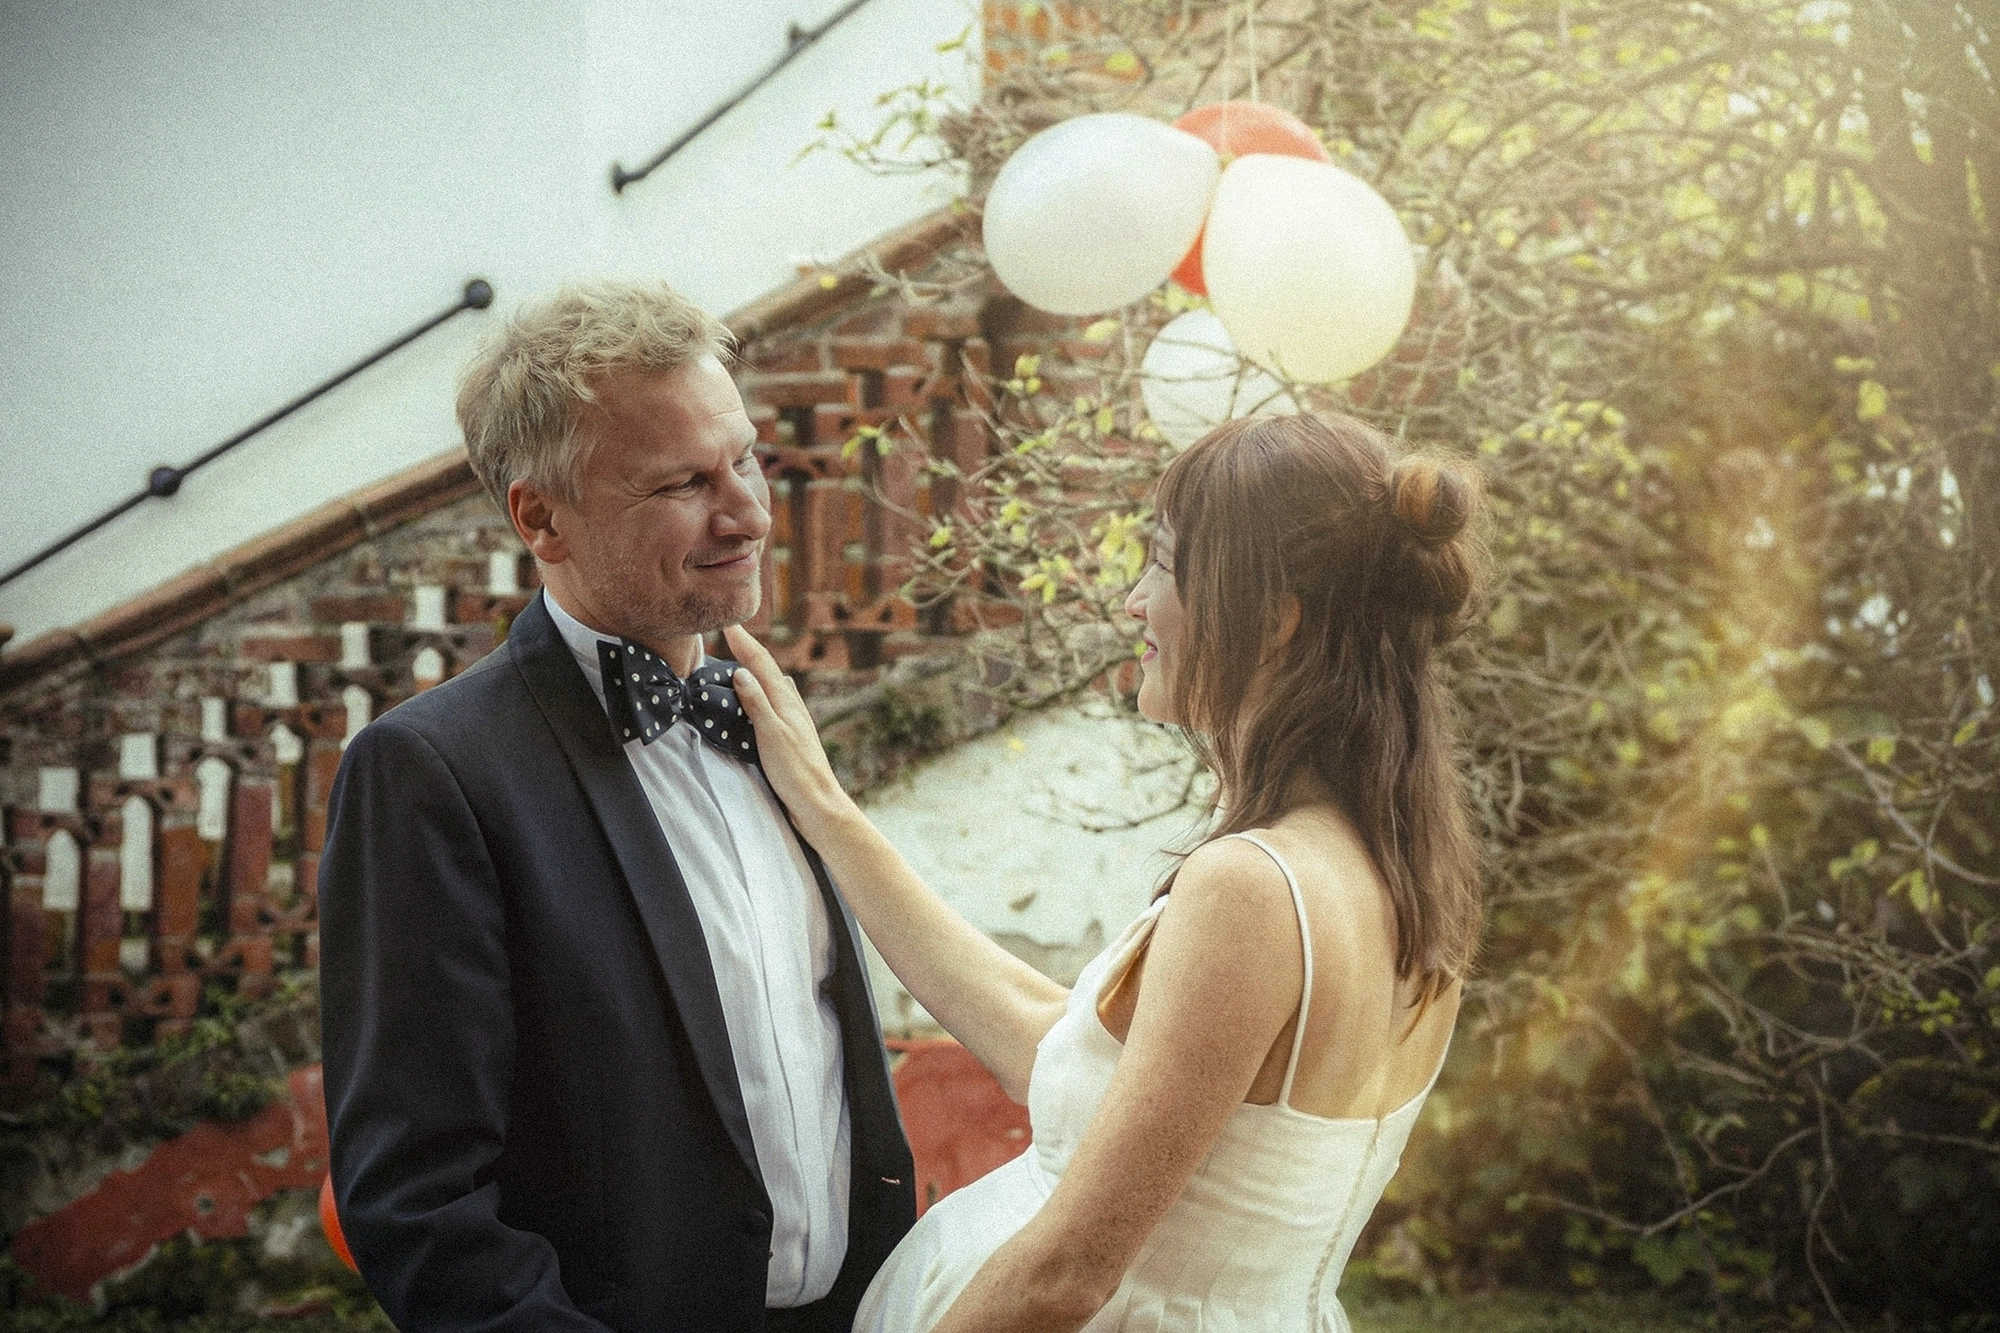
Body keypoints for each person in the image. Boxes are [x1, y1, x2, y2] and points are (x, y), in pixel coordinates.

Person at [723, 410, 1484, 1333]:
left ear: (1275, 621)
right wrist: (828, 810)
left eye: (1163, 565)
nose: (1134, 602)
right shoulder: (1398, 877)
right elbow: (1065, 1057)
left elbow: (1065, 1274)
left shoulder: (1251, 887)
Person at [317, 278, 915, 1333]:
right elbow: (420, 1204)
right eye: (682, 483)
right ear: (540, 517)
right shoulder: (429, 775)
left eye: (743, 459)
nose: (747, 512)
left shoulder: (767, 717)